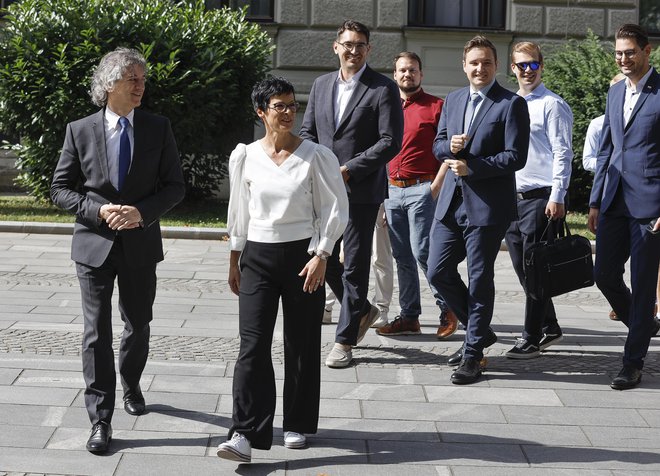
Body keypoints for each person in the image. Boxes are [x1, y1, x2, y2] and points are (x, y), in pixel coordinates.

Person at [50, 48, 185, 453]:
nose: (141, 86)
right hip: (93, 246)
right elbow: (59, 189)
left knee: (138, 323)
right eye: (133, 79)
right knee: (96, 333)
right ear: (110, 85)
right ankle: (101, 418)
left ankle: (131, 382)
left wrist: (140, 213)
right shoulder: (80, 130)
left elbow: (175, 187)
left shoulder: (158, 128)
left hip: (140, 245)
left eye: (143, 79)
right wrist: (99, 210)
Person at [216, 76, 348, 463]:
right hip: (256, 256)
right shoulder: (245, 155)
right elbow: (238, 209)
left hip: (302, 259)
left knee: (302, 342)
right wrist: (234, 258)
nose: (289, 112)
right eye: (280, 106)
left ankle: (297, 423)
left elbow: (335, 209)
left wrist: (322, 255)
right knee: (252, 345)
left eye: (293, 105)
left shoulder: (316, 156)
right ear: (261, 112)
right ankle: (244, 432)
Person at [300, 19, 403, 368]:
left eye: (360, 45)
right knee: (318, 253)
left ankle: (343, 341)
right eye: (347, 44)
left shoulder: (382, 88)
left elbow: (389, 142)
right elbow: (307, 131)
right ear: (336, 46)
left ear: (368, 50)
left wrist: (348, 169)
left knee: (355, 265)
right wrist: (315, 168)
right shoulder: (320, 85)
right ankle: (361, 310)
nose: (353, 50)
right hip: (323, 190)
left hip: (360, 190)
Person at [427, 35, 529, 384]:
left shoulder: (510, 104)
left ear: (496, 65)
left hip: (487, 207)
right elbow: (438, 143)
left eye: (486, 62)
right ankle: (479, 331)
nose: (480, 68)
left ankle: (473, 353)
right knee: (437, 270)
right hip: (451, 204)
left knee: (480, 278)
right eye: (474, 63)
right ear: (464, 65)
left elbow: (517, 156)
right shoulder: (453, 100)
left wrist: (476, 167)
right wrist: (448, 146)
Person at [588, 24, 660, 391]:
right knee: (603, 275)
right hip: (614, 201)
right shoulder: (615, 92)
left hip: (650, 205)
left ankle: (632, 363)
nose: (623, 58)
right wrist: (596, 200)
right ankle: (643, 324)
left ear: (647, 52)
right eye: (618, 52)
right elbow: (606, 150)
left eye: (630, 51)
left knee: (644, 284)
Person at [376, 51, 459, 339]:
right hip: (392, 191)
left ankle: (449, 308)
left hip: (423, 189)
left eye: (412, 70)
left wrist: (435, 187)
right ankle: (410, 316)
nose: (407, 75)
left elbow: (449, 153)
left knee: (424, 252)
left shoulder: (438, 106)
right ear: (395, 75)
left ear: (421, 74)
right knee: (402, 257)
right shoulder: (386, 107)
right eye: (401, 70)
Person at [503, 42, 574, 359]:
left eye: (533, 65)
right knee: (522, 267)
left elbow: (563, 152)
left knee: (532, 268)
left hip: (541, 198)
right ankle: (551, 325)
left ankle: (531, 336)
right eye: (521, 65)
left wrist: (558, 195)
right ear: (513, 69)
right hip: (511, 198)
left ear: (541, 67)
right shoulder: (511, 103)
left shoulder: (552, 104)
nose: (527, 71)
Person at [324, 207, 393, 328]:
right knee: (342, 257)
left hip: (375, 198)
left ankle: (381, 309)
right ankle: (327, 306)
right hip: (347, 201)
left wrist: (388, 203)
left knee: (380, 257)